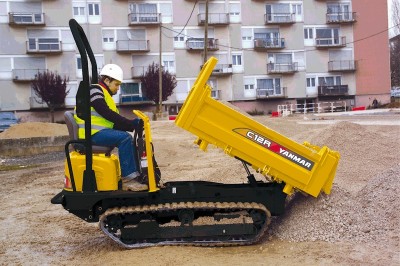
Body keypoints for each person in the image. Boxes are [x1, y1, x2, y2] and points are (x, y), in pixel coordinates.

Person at [74, 64, 147, 191]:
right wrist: (130, 124)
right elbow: (104, 111)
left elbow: (113, 122)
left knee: (127, 137)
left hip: (98, 132)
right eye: (116, 84)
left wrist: (132, 124)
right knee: (124, 139)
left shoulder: (104, 95)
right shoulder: (95, 90)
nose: (118, 88)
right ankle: (128, 180)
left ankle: (135, 174)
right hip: (91, 133)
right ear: (107, 81)